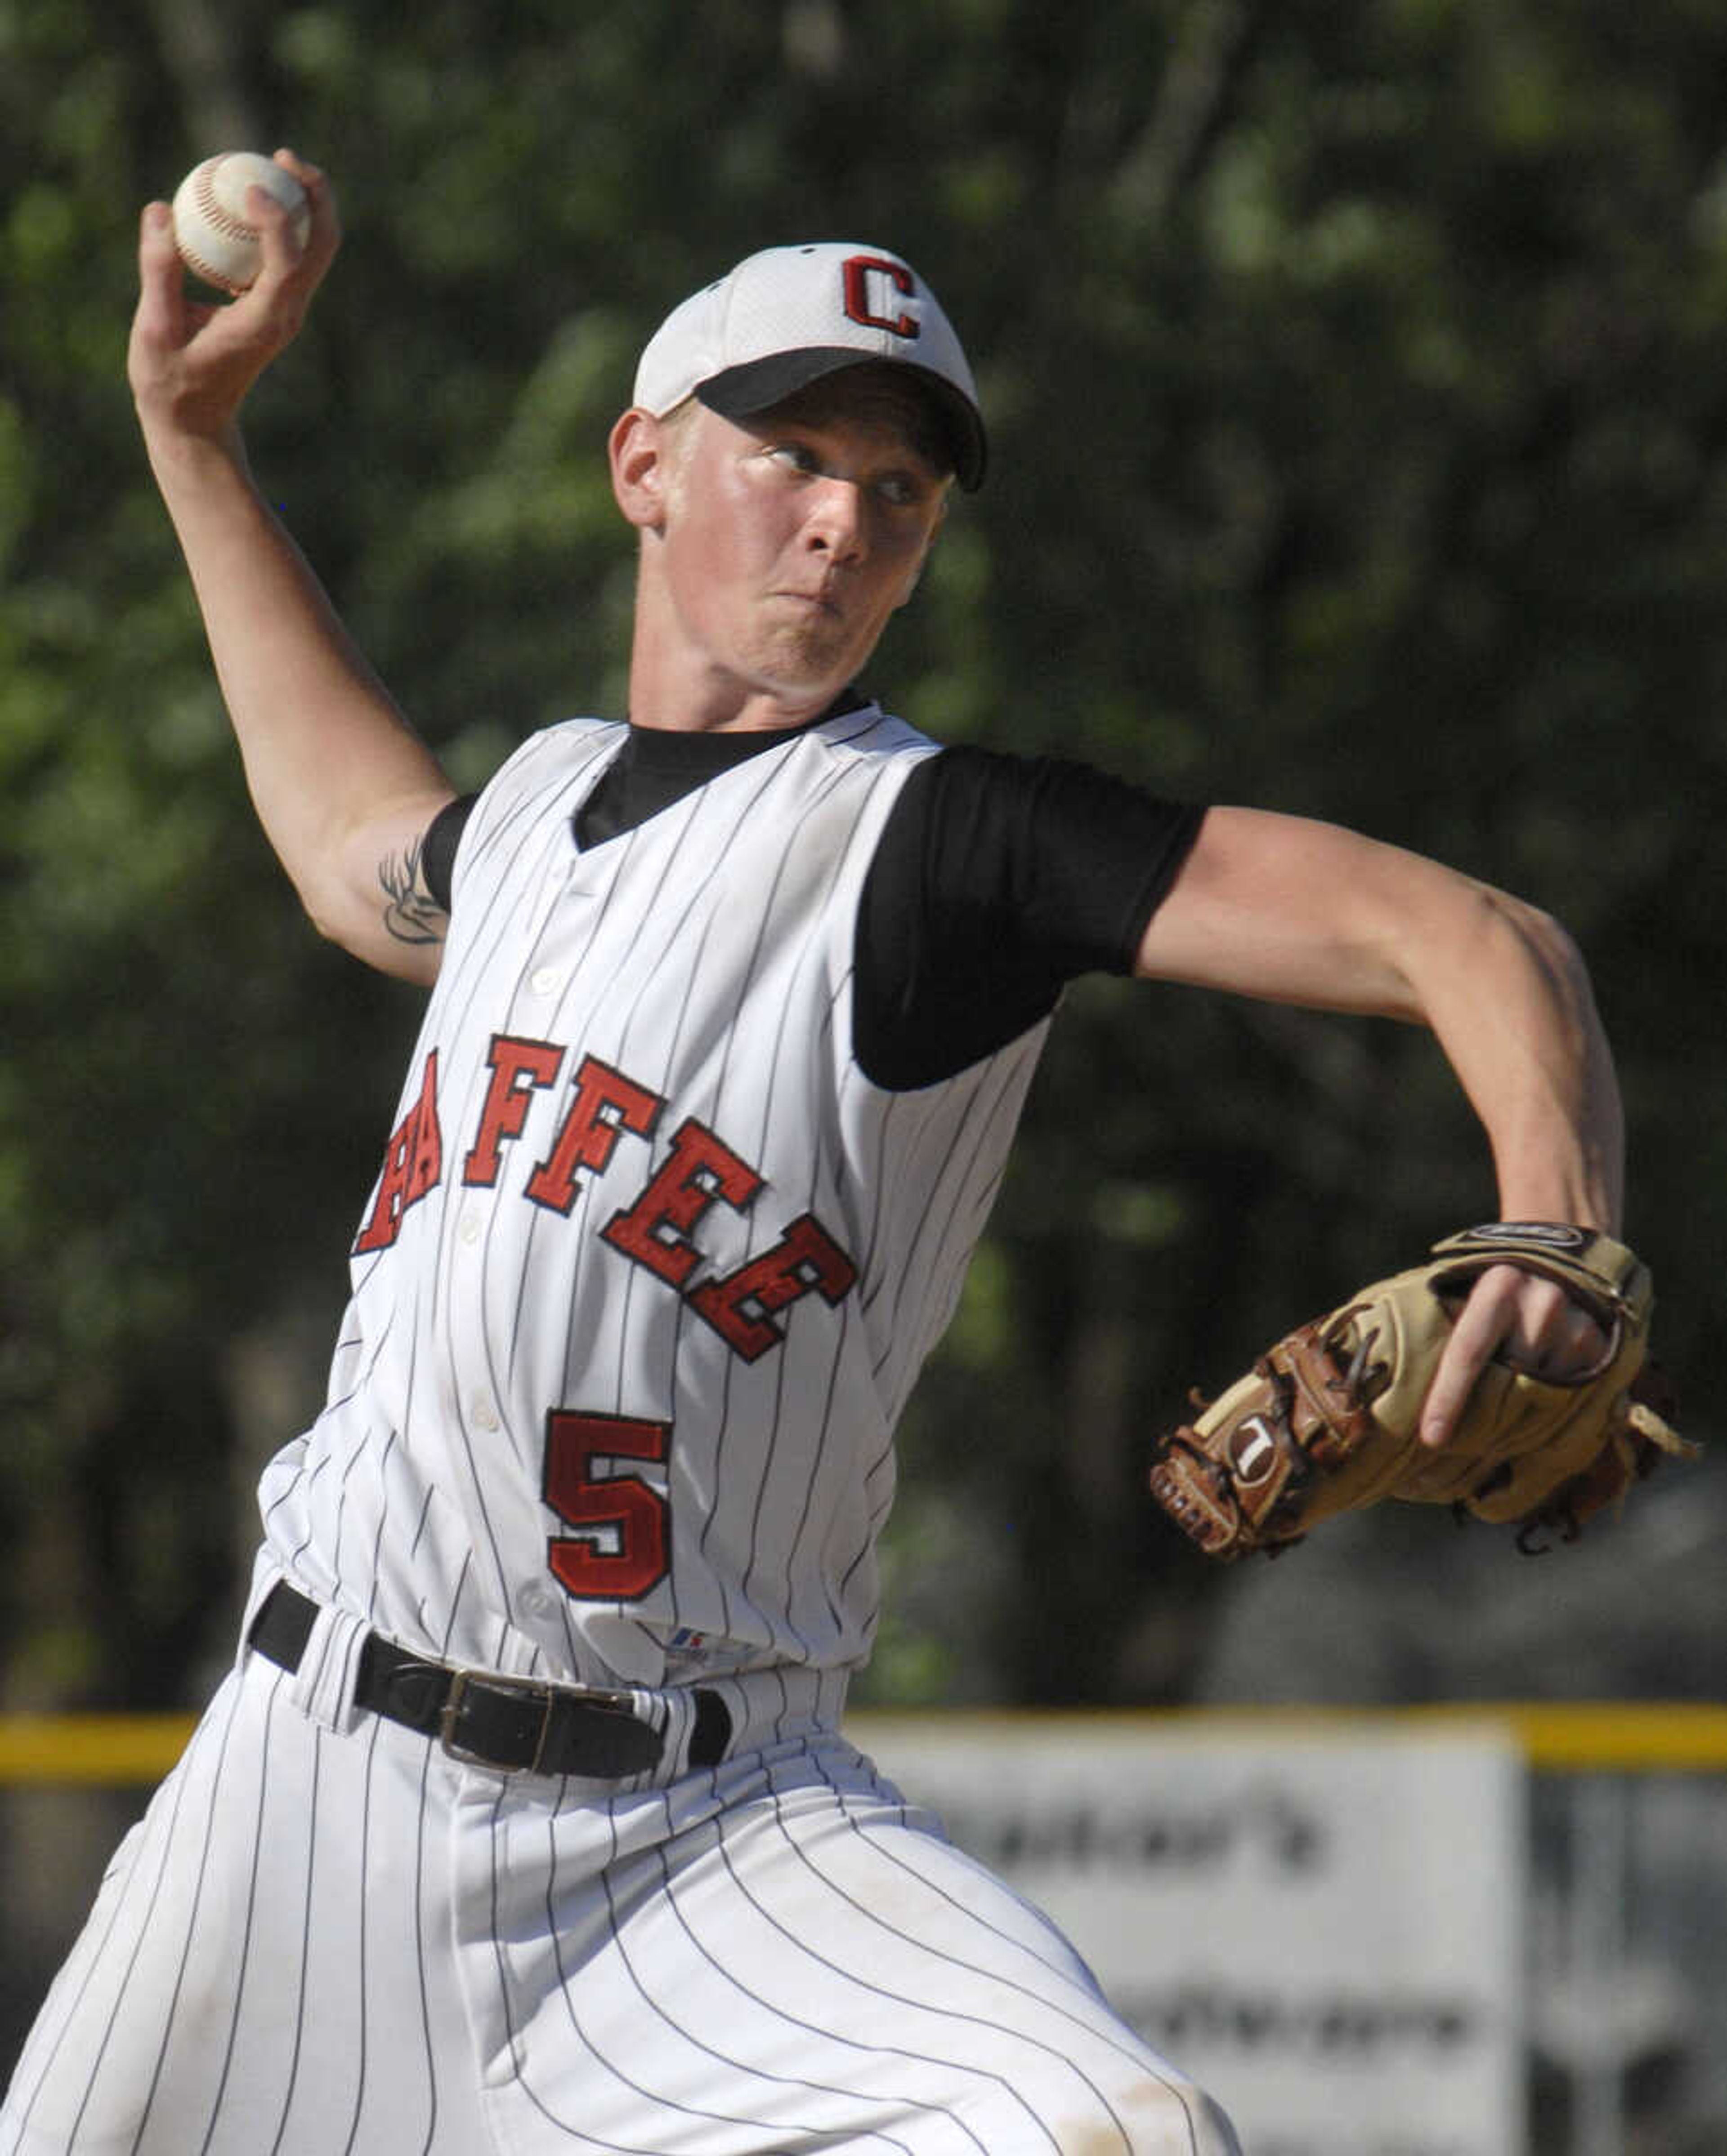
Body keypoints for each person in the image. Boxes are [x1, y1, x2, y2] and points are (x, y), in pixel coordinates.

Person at [1, 150, 1623, 2156]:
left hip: (702, 1836)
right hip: (300, 1784)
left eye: (903, 485)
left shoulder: (940, 847)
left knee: (1106, 2131)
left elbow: (1467, 935)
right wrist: (192, 440)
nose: (848, 513)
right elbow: (354, 851)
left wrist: (1558, 1208)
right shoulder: (534, 811)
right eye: (796, 450)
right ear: (644, 469)